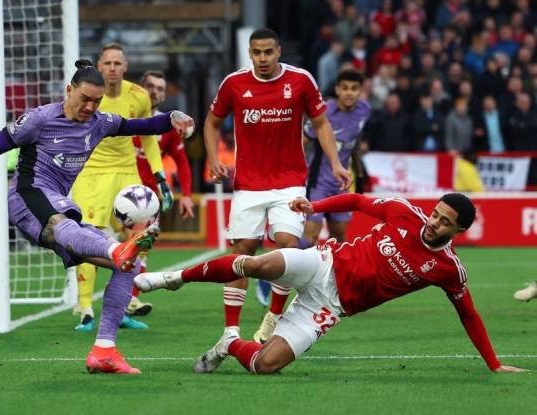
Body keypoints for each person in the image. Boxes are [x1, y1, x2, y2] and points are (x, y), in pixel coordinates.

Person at [0, 59, 194, 374]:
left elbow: (140, 126)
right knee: (70, 225)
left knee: (129, 264)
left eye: (97, 101)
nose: (90, 106)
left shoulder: (99, 122)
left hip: (59, 206)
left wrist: (172, 117)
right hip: (27, 198)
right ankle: (115, 248)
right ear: (68, 90)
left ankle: (105, 350)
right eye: (84, 98)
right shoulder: (39, 119)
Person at [135, 192, 527, 375]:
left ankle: (229, 343)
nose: (434, 222)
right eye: (436, 214)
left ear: (459, 230)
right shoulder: (405, 213)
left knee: (265, 365)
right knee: (258, 263)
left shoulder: (448, 269)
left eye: (445, 222)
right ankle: (172, 279)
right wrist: (314, 207)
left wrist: (494, 365)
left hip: (330, 308)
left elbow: (469, 314)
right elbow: (356, 200)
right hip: (323, 264)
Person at [204, 28, 351, 346]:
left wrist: (336, 163)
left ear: (279, 51)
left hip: (289, 181)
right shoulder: (234, 83)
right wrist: (213, 157)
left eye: (268, 52)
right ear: (249, 53)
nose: (263, 58)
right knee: (242, 252)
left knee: (286, 245)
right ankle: (231, 330)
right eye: (257, 52)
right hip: (249, 184)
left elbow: (322, 123)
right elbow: (212, 121)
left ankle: (273, 318)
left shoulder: (301, 81)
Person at [70, 43, 173, 332]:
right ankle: (86, 309)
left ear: (126, 67)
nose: (112, 68)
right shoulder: (88, 95)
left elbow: (150, 136)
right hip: (91, 174)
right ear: (99, 67)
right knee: (87, 239)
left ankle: (122, 306)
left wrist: (160, 176)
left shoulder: (138, 96)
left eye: (118, 63)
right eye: (107, 63)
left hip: (127, 173)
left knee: (137, 239)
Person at [126, 69, 196, 316]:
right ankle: (85, 305)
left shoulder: (167, 127)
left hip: (148, 197)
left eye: (160, 89)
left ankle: (131, 300)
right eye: (151, 86)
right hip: (118, 189)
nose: (155, 92)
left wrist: (186, 194)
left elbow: (182, 161)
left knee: (140, 248)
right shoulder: (126, 114)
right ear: (140, 89)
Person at [300, 68, 370, 248]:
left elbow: (355, 140)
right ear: (337, 90)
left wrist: (360, 174)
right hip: (317, 183)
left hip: (341, 184)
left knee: (339, 236)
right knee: (309, 237)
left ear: (360, 91)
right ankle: (281, 274)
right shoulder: (324, 112)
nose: (349, 92)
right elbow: (302, 140)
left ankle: (336, 275)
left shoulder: (364, 110)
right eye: (345, 88)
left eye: (354, 88)